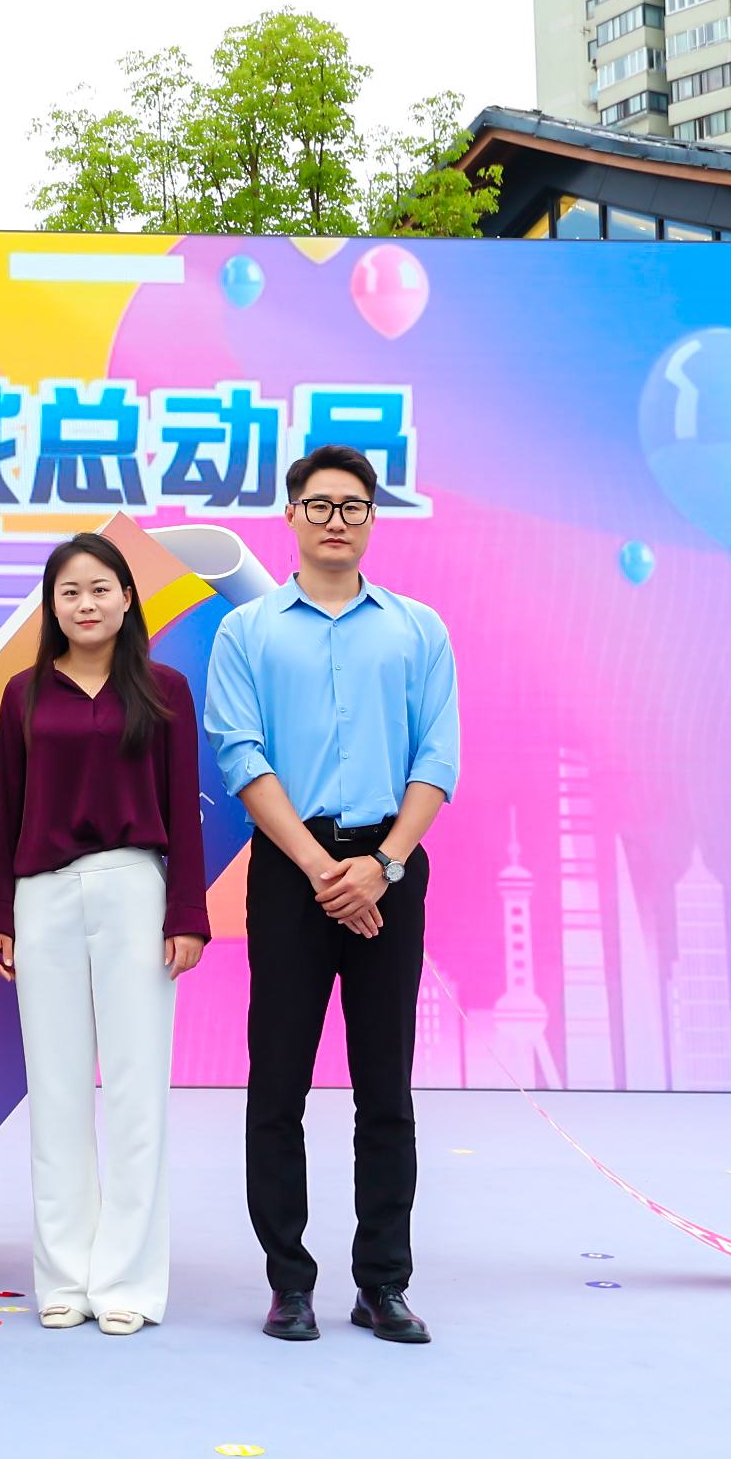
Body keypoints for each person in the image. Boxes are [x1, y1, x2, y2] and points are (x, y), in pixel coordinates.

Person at [204, 445, 460, 1346]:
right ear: (292, 515)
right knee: (277, 1084)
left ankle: (383, 1282)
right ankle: (289, 1283)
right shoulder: (249, 631)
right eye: (319, 505)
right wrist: (322, 870)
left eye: (353, 506)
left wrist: (382, 864)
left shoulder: (418, 630)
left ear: (372, 519)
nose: (336, 520)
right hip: (290, 870)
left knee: (385, 1086)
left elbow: (436, 758)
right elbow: (241, 756)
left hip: (390, 865)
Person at [0, 534, 208, 1336]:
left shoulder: (165, 689)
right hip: (42, 896)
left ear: (128, 598)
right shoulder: (24, 693)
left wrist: (186, 914)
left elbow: (183, 805)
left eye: (101, 588)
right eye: (69, 591)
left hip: (134, 888)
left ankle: (129, 1282)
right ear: (52, 605)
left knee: (138, 1093)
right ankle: (66, 1276)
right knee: (59, 1091)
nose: (86, 604)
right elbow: (7, 807)